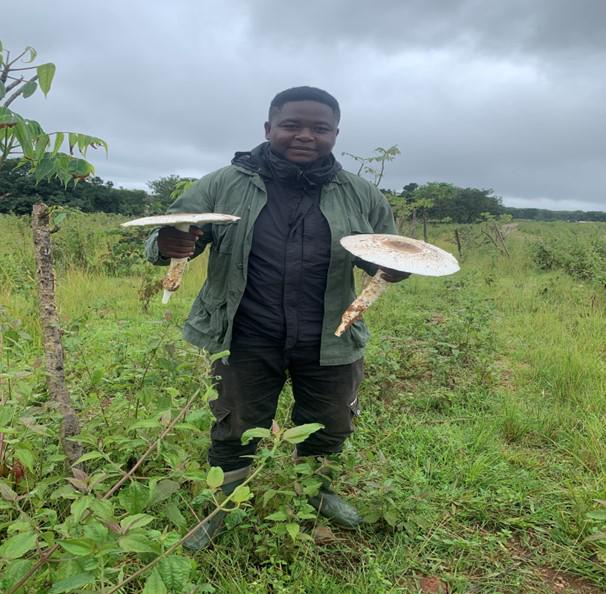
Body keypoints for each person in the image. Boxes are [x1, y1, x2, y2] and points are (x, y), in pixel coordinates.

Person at [145, 86, 409, 550]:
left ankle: (318, 491)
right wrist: (167, 245)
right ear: (269, 129)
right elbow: (174, 231)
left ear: (335, 134)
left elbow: (382, 252)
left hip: (330, 334)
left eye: (319, 128)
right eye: (292, 125)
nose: (305, 135)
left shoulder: (359, 193)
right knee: (235, 419)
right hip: (246, 332)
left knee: (331, 421)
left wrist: (395, 268)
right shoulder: (225, 182)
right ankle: (225, 503)